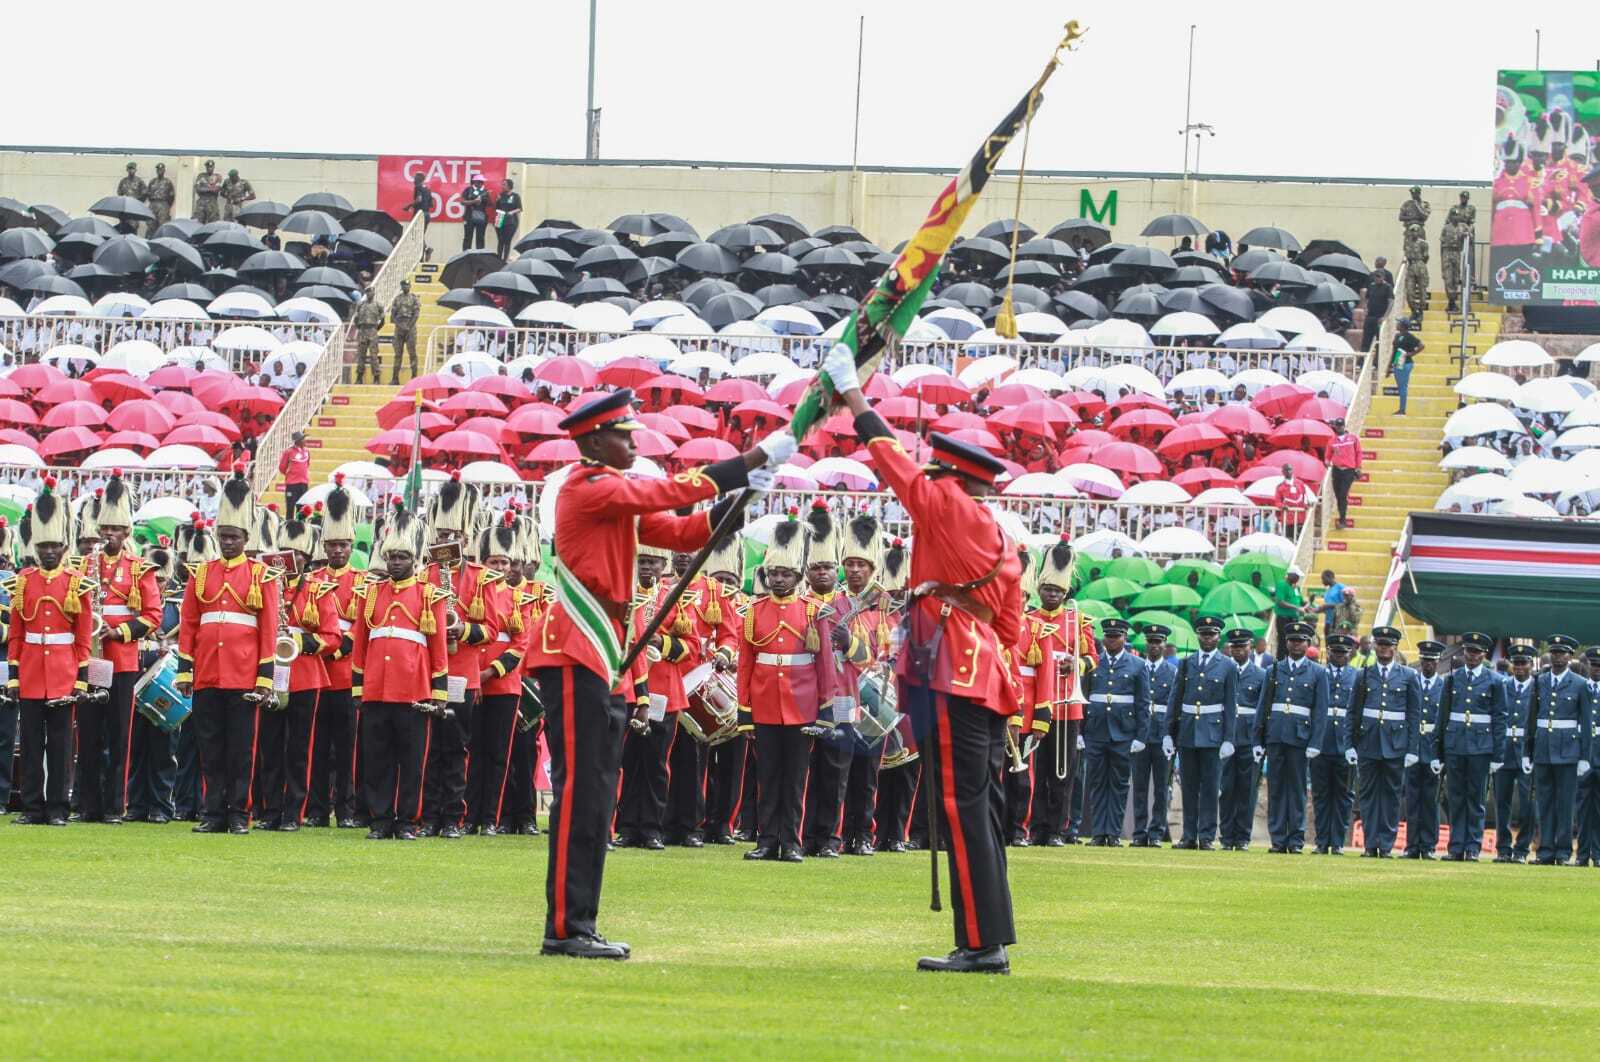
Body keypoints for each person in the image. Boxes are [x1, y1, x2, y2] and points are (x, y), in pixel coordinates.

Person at [533, 388, 787, 961]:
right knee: (581, 793)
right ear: (595, 440)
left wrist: (740, 503)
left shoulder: (615, 496)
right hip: (576, 648)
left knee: (599, 792)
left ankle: (579, 922)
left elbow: (681, 532)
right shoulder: (589, 484)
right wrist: (744, 463)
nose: (633, 442)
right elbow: (666, 490)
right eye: (624, 435)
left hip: (601, 652)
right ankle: (566, 925)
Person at [828, 345, 1023, 976]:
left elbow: (894, 465)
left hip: (951, 671)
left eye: (939, 473)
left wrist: (853, 397)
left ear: (954, 478)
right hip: (986, 671)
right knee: (981, 805)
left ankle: (980, 944)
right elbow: (1013, 628)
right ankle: (986, 933)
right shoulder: (999, 536)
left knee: (961, 804)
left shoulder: (947, 507)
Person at [176, 468, 280, 834]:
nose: (228, 543)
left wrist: (264, 678)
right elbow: (189, 625)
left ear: (246, 536)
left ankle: (239, 812)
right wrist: (185, 671)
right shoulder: (201, 574)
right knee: (211, 748)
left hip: (243, 674)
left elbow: (268, 630)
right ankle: (213, 812)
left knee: (241, 751)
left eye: (234, 537)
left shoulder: (261, 575)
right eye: (223, 537)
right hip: (207, 673)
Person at [737, 515, 840, 863]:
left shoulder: (814, 612)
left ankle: (792, 841)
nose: (778, 579)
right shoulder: (753, 612)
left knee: (796, 780)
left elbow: (825, 664)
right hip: (765, 706)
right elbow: (746, 666)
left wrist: (826, 710)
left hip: (802, 706)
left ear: (798, 576)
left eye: (785, 574)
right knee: (767, 777)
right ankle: (767, 840)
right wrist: (745, 712)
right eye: (773, 574)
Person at [352, 504, 450, 841]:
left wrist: (438, 694)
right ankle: (380, 821)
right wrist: (358, 689)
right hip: (377, 689)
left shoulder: (429, 596)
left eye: (402, 558)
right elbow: (360, 644)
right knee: (377, 761)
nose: (395, 563)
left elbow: (438, 648)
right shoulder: (371, 594)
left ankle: (408, 821)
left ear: (414, 561)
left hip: (413, 690)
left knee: (412, 763)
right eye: (391, 556)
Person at [6, 483, 93, 826]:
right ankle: (32, 808)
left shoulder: (77, 583)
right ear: (35, 546)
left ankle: (58, 807)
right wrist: (13, 676)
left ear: (63, 546)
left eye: (54, 545)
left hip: (62, 672)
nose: (48, 552)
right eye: (43, 545)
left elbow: (83, 637)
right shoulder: (22, 582)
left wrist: (81, 681)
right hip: (29, 673)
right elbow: (16, 633)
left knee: (60, 747)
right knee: (30, 745)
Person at [78, 473, 162, 824]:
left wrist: (119, 631)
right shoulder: (85, 565)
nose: (109, 535)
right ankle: (88, 805)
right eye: (105, 528)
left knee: (119, 736)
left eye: (116, 529)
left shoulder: (140, 568)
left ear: (127, 532)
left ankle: (115, 805)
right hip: (90, 659)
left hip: (122, 659)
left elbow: (154, 616)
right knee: (88, 735)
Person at [422, 476, 502, 838]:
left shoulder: (481, 578)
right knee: (427, 747)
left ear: (466, 539)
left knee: (455, 747)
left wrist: (462, 631)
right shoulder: (424, 575)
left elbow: (491, 629)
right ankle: (427, 814)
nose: (446, 542)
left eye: (452, 535)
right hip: (425, 673)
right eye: (441, 535)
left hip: (462, 673)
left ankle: (452, 816)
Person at [254, 510, 340, 832]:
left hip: (304, 676)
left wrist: (299, 639)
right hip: (270, 676)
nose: (289, 561)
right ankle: (270, 810)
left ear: (306, 558)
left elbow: (333, 637)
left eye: (297, 555)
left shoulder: (318, 590)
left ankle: (294, 813)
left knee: (299, 748)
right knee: (270, 747)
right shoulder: (264, 584)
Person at [1023, 536, 1095, 846]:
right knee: (1035, 770)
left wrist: (1077, 663)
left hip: (1067, 703)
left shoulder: (1077, 619)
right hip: (1038, 704)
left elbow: (1093, 657)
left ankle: (1056, 828)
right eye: (1047, 589)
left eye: (1057, 590)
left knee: (1063, 773)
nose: (1052, 595)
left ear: (1065, 592)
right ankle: (1035, 826)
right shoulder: (1029, 619)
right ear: (1039, 590)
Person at [303, 479, 363, 829]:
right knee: (317, 749)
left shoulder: (363, 581)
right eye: (332, 545)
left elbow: (361, 627)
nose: (338, 551)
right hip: (317, 674)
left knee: (347, 751)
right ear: (324, 545)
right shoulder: (313, 580)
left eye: (343, 545)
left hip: (345, 675)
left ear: (350, 545)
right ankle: (316, 809)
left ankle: (346, 810)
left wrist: (337, 646)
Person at [466, 513, 526, 835]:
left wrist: (492, 670)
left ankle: (490, 817)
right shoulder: (472, 592)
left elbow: (521, 643)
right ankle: (469, 814)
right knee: (473, 752)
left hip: (503, 685)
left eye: (505, 562)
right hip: (474, 681)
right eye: (494, 561)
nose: (500, 568)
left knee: (498, 755)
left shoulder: (518, 598)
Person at [837, 512, 893, 856]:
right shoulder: (836, 603)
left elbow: (891, 652)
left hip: (873, 697)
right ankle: (840, 833)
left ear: (872, 570)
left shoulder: (886, 607)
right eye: (851, 564)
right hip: (843, 696)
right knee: (840, 770)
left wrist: (855, 650)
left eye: (862, 565)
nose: (855, 570)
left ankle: (862, 834)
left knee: (868, 772)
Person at [1251, 621, 1328, 854]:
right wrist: (1257, 740)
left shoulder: (1317, 672)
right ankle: (1278, 839)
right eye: (1292, 641)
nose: (1296, 645)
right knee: (1275, 788)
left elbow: (1320, 711)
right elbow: (1263, 706)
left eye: (1301, 641)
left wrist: (1315, 742)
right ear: (1286, 643)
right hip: (1275, 736)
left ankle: (1295, 838)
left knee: (1296, 789)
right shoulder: (1274, 670)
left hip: (1300, 738)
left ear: (1308, 644)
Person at [1345, 625, 1421, 858]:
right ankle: (1370, 843)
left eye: (1388, 645)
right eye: (1380, 644)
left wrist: (1412, 748)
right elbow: (1353, 712)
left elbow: (1414, 714)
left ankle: (1385, 844)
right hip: (1368, 743)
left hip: (1395, 744)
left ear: (1395, 648)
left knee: (1391, 796)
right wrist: (1349, 744)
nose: (1384, 649)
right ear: (1375, 647)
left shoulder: (1408, 676)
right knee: (1367, 796)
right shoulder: (1364, 674)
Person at [1431, 631, 1507, 861]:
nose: (1471, 656)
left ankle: (1472, 846)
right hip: (1455, 745)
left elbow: (1500, 718)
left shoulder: (1494, 681)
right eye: (1468, 651)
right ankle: (1456, 847)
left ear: (1484, 654)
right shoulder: (1452, 679)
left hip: (1481, 747)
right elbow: (1442, 716)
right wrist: (1438, 751)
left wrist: (1497, 754)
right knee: (1455, 797)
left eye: (1476, 652)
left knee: (1476, 799)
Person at [1164, 615, 1237, 850]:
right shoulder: (1186, 663)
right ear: (1198, 636)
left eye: (1212, 634)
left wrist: (1229, 738)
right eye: (1204, 634)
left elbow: (1230, 704)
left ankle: (1206, 836)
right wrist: (1169, 732)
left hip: (1213, 733)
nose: (1208, 638)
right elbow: (1175, 698)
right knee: (1189, 786)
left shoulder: (1228, 665)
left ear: (1218, 637)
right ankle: (1188, 835)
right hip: (1187, 731)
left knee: (1209, 788)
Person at [1523, 635, 1592, 865]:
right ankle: (1545, 851)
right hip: (1543, 749)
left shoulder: (1580, 684)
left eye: (1562, 653)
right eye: (1554, 652)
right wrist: (1527, 751)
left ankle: (1563, 852)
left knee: (1564, 804)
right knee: (1544, 803)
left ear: (1570, 656)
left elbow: (1585, 723)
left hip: (1568, 751)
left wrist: (1584, 756)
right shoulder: (1539, 681)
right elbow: (1531, 719)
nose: (1557, 657)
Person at [1078, 617, 1147, 846]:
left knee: (1118, 785)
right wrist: (1079, 731)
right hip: (1095, 730)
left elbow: (1142, 703)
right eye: (1108, 636)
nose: (1111, 640)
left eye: (1116, 636)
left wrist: (1140, 736)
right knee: (1097, 783)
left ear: (1124, 638)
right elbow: (1084, 697)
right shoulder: (1093, 662)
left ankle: (1113, 833)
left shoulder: (1137, 665)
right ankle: (1099, 833)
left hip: (1123, 733)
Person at [1218, 627, 1266, 850]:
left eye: (1242, 646)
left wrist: (1260, 741)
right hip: (1226, 737)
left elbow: (1263, 710)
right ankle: (1227, 837)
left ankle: (1243, 837)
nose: (1238, 651)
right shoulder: (1223, 670)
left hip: (1248, 738)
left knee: (1247, 790)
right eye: (1234, 647)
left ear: (1250, 648)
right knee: (1226, 788)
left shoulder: (1261, 675)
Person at [1131, 624, 1179, 847]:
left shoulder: (1172, 672)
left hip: (1162, 735)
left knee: (1161, 787)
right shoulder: (1138, 667)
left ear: (1164, 645)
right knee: (1140, 786)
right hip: (1141, 734)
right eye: (1151, 642)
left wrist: (1172, 736)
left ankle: (1157, 832)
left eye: (1158, 642)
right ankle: (1139, 832)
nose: (1154, 646)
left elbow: (1175, 707)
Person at [1311, 633, 1358, 854]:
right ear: (1328, 652)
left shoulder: (1357, 677)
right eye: (1335, 652)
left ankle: (1337, 842)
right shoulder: (1318, 674)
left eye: (1343, 652)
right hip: (1321, 742)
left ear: (1350, 654)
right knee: (1321, 795)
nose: (1338, 656)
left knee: (1344, 797)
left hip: (1345, 745)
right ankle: (1321, 842)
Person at [1492, 644, 1538, 863]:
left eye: (1523, 663)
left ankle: (1522, 848)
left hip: (1526, 750)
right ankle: (1503, 847)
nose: (1519, 667)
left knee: (1529, 803)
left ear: (1531, 665)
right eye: (1516, 663)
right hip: (1504, 749)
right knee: (1502, 802)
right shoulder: (1502, 685)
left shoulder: (1538, 688)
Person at [1401, 640, 1447, 858]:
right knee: (1412, 800)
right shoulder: (1412, 682)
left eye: (1432, 660)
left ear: (1438, 662)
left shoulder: (1444, 685)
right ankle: (1412, 845)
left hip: (1432, 748)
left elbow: (1444, 721)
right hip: (1413, 747)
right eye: (1425, 660)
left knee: (1431, 800)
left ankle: (1428, 845)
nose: (1428, 664)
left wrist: (1441, 753)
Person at [1576, 647, 1600, 866]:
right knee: (1582, 808)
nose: (1597, 670)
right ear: (1587, 667)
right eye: (1594, 665)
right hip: (1584, 753)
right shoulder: (1580, 688)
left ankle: (1599, 854)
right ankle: (1583, 854)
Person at [1439, 192, 1475, 313]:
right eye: (1453, 215)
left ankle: (1453, 302)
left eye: (1456, 216)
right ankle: (1451, 301)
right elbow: (1442, 244)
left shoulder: (1463, 226)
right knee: (1448, 278)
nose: (1455, 217)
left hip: (1456, 253)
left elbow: (1470, 233)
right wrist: (1442, 258)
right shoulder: (1446, 228)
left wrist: (1466, 234)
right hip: (1447, 253)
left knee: (1455, 278)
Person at [1326, 418, 1362, 529]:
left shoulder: (1353, 439)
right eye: (1338, 425)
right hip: (1337, 470)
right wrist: (1327, 462)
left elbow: (1358, 453)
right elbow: (1327, 455)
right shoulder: (1332, 441)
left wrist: (1358, 467)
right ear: (1335, 427)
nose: (1339, 427)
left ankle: (1343, 520)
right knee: (1338, 496)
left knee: (1342, 494)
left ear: (1344, 426)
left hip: (1348, 470)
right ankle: (1342, 518)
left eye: (1341, 425)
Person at [389, 279, 421, 384]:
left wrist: (408, 326)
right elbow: (392, 316)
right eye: (404, 285)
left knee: (412, 353)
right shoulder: (397, 299)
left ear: (410, 286)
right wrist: (400, 326)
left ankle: (414, 377)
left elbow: (416, 314)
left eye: (408, 285)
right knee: (398, 354)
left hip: (410, 327)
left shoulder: (414, 298)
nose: (406, 287)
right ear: (401, 287)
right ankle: (395, 378)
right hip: (399, 327)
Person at [351, 288, 385, 385]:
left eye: (372, 292)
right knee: (361, 355)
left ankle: (376, 377)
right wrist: (360, 327)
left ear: (374, 293)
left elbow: (383, 320)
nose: (370, 294)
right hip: (362, 331)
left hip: (372, 330)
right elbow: (356, 319)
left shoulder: (378, 305)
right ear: (366, 293)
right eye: (368, 292)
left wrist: (375, 328)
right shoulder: (361, 305)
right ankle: (359, 377)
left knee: (373, 355)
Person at [1389, 318, 1423, 416]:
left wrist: (1411, 354)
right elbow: (1394, 352)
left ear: (1403, 326)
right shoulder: (1397, 336)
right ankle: (1401, 408)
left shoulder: (1409, 336)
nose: (1397, 324)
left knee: (1403, 387)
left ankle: (1402, 409)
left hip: (1405, 362)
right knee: (1400, 386)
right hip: (1398, 361)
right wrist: (1390, 366)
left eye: (1399, 323)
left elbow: (1421, 346)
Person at [1359, 257, 1393, 353]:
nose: (1377, 278)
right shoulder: (1372, 286)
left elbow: (1391, 302)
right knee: (1366, 339)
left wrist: (1385, 316)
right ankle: (1362, 361)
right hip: (1370, 316)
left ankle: (1376, 362)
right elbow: (1367, 298)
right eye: (1376, 276)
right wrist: (1365, 308)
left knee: (1379, 340)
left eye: (1379, 276)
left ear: (1383, 277)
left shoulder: (1387, 287)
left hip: (1380, 317)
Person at [279, 431, 311, 512]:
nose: (305, 441)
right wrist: (290, 475)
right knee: (290, 507)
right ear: (298, 441)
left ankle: (300, 524)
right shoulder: (288, 452)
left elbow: (307, 464)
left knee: (302, 509)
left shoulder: (307, 451)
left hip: (303, 483)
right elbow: (282, 467)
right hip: (292, 484)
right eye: (303, 439)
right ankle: (289, 524)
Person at [494, 178, 523, 259]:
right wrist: (497, 200)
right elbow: (496, 208)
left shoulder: (515, 196)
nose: (502, 186)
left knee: (507, 240)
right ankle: (499, 258)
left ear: (509, 186)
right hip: (500, 218)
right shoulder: (500, 195)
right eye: (502, 184)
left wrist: (511, 212)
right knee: (500, 240)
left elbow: (519, 208)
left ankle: (505, 259)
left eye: (504, 184)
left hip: (511, 220)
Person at [145, 163, 176, 236]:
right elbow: (148, 194)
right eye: (158, 170)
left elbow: (171, 196)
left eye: (161, 169)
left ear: (164, 170)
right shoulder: (152, 181)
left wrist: (166, 205)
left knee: (163, 225)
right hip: (153, 204)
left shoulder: (168, 182)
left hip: (163, 205)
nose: (160, 171)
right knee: (150, 224)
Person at [461, 176, 489, 251]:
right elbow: (462, 202)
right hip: (469, 217)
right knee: (468, 237)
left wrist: (483, 200)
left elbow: (489, 204)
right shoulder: (468, 190)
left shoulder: (485, 191)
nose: (481, 183)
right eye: (479, 182)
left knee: (480, 238)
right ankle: (465, 256)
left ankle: (480, 256)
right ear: (475, 182)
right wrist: (473, 201)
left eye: (482, 182)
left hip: (481, 217)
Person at [193, 160, 224, 225]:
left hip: (212, 202)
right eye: (208, 167)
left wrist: (204, 188)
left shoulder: (218, 176)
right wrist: (210, 188)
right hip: (201, 202)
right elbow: (197, 189)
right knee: (197, 223)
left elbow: (216, 189)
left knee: (213, 224)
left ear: (213, 167)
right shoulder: (201, 176)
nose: (209, 168)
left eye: (211, 167)